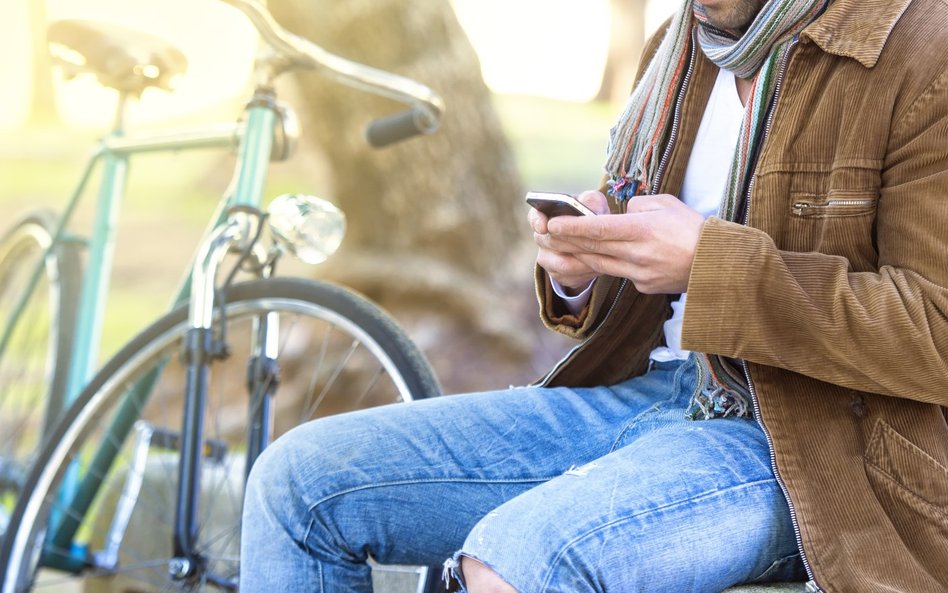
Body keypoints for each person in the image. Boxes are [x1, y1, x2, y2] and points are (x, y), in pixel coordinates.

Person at [239, 0, 948, 590]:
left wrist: (708, 264)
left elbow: (935, 331)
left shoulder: (922, 48)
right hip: (660, 394)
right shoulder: (682, 47)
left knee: (523, 555)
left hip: (822, 442)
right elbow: (643, 293)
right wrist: (584, 264)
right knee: (298, 485)